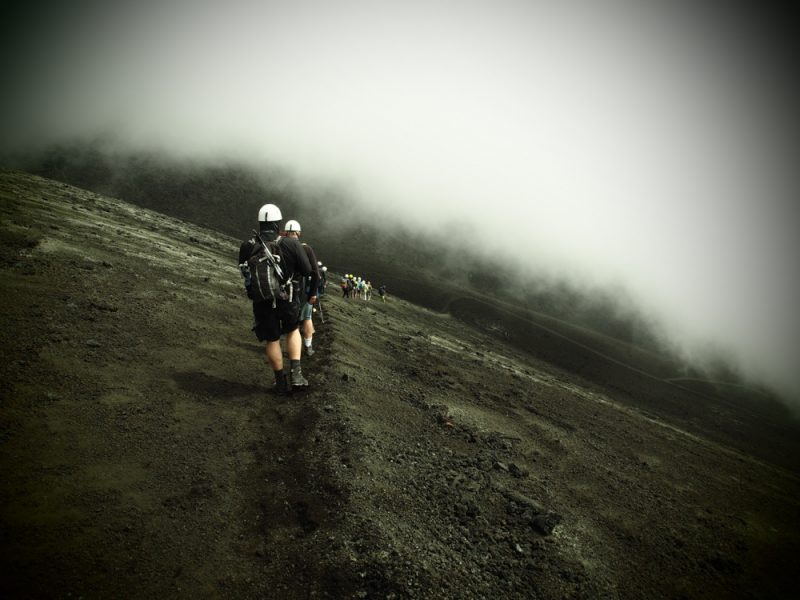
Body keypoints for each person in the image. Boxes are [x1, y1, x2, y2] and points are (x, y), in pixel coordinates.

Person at [238, 204, 313, 394]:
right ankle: (296, 374)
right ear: (277, 222)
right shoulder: (290, 243)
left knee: (272, 340)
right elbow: (306, 270)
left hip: (262, 300)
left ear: (261, 223)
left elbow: (244, 272)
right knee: (292, 330)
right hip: (287, 298)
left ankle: (280, 382)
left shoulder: (247, 246)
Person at [282, 219, 320, 357]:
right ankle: (308, 346)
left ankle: (292, 349)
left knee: (292, 321)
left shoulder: (280, 246)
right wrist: (313, 294)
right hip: (303, 291)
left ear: (286, 232)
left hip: (286, 292)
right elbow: (316, 274)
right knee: (307, 317)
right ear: (298, 233)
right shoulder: (305, 248)